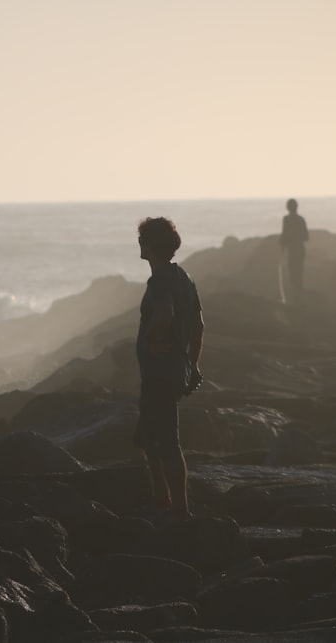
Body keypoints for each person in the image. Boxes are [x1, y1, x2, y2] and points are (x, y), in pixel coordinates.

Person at [134, 217, 204, 520]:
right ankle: (164, 501)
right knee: (150, 439)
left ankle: (177, 509)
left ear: (150, 244)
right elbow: (199, 326)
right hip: (174, 370)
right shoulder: (184, 278)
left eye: (142, 239)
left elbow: (164, 313)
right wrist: (193, 365)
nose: (139, 243)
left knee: (166, 442)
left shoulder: (160, 280)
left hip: (159, 372)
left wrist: (150, 340)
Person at [279, 198, 309, 304]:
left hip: (292, 250)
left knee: (293, 273)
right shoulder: (301, 219)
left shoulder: (286, 219)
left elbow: (284, 235)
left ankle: (295, 298)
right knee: (299, 273)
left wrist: (283, 243)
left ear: (288, 208)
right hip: (300, 249)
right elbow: (306, 237)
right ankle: (299, 297)